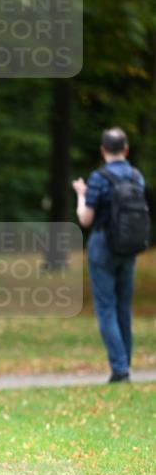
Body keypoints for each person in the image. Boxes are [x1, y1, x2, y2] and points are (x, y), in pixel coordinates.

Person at [72, 126, 146, 383]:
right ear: (126, 149)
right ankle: (124, 363)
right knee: (123, 307)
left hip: (103, 245)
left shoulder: (98, 178)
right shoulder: (137, 177)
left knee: (106, 308)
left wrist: (82, 196)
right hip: (129, 247)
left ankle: (120, 368)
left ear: (103, 150)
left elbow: (86, 219)